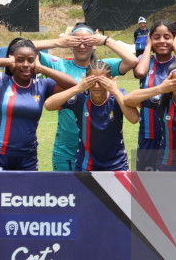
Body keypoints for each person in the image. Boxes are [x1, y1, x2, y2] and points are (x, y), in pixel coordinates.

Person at [31, 22, 138, 172]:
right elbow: (22, 48)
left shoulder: (102, 67)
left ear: (94, 44)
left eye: (87, 41)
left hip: (98, 149)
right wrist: (59, 42)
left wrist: (105, 40)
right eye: (76, 41)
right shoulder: (59, 65)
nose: (82, 46)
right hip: (66, 147)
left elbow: (132, 61)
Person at [0, 38, 77, 171]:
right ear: (12, 60)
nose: (26, 64)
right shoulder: (0, 81)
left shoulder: (42, 86)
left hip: (27, 159)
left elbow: (72, 84)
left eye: (30, 60)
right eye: (20, 60)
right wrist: (7, 61)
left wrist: (42, 68)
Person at [43, 60, 139, 171]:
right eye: (92, 81)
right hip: (86, 166)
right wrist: (77, 88)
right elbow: (48, 105)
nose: (97, 86)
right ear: (86, 80)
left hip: (117, 165)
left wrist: (116, 92)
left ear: (110, 80)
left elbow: (134, 119)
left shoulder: (118, 95)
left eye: (101, 81)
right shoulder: (80, 97)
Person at [133, 20, 176, 171]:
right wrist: (147, 46)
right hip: (149, 132)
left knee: (172, 180)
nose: (161, 41)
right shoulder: (145, 61)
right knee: (146, 181)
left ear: (175, 39)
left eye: (167, 37)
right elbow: (140, 72)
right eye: (156, 37)